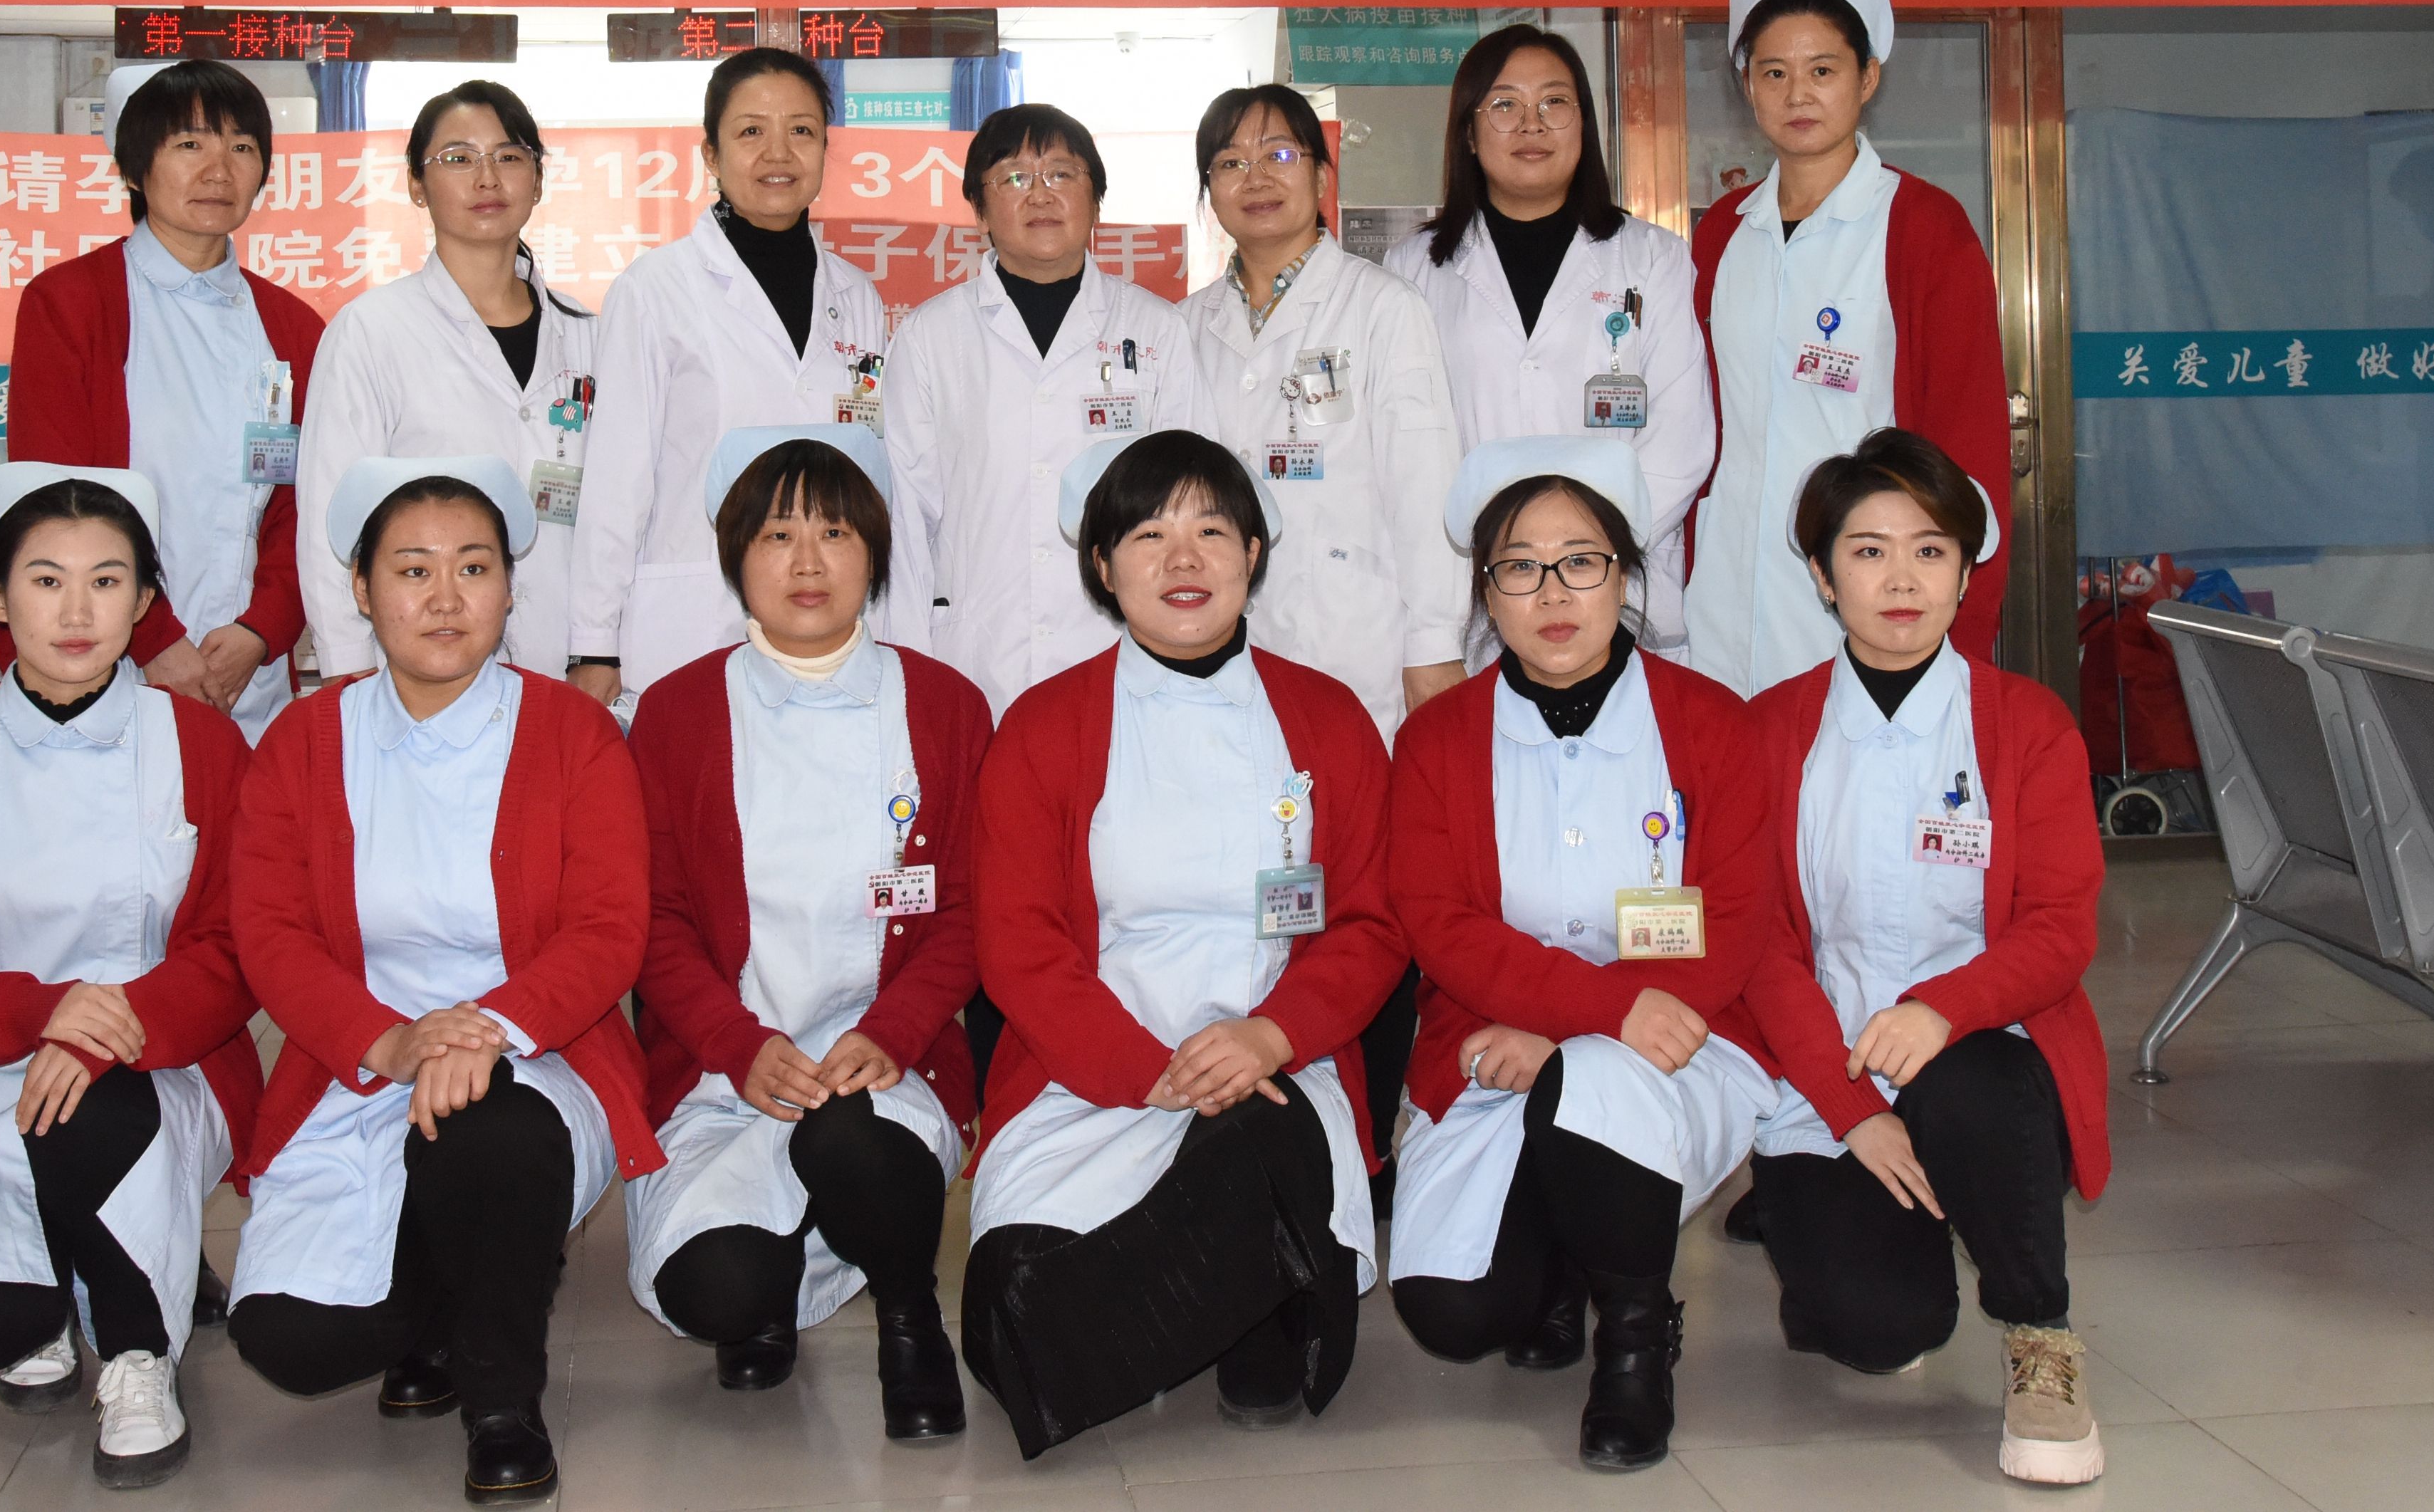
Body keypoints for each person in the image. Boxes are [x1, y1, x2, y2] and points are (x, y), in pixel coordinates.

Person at [957, 429, 1403, 1460]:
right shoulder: (1043, 726)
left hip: (1276, 1068)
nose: (1184, 558)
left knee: (1255, 1136)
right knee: (1000, 1310)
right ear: (1103, 566)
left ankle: (1200, 1309)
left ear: (1253, 551)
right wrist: (1142, 1069)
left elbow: (1373, 923)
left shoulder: (1328, 718)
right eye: (1148, 535)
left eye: (1211, 529)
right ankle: (1240, 1296)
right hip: (1093, 1074)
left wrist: (1268, 1037)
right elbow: (1017, 943)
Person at [223, 457, 656, 1505]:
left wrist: (485, 1031)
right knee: (290, 1342)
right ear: (361, 590)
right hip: (360, 1063)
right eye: (412, 570)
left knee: (488, 1131)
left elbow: (609, 928)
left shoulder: (574, 733)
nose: (446, 598)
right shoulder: (305, 740)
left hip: (538, 1056)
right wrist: (391, 1042)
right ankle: (444, 1310)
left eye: (474, 567)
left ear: (509, 588)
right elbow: (271, 934)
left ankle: (501, 1399)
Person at [0, 462, 262, 1491]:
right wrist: (40, 1014)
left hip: (166, 1057)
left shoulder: (203, 747)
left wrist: (108, 1026)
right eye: (46, 580)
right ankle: (53, 1291)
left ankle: (138, 1351)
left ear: (145, 603)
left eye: (108, 582)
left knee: (93, 1113)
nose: (78, 612)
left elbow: (243, 941)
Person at [1380, 439, 1774, 1474]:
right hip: (1492, 1042)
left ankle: (1635, 1341)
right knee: (1455, 1313)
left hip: (1677, 1038)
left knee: (1598, 1084)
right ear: (1485, 591)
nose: (1552, 592)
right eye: (1520, 567)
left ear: (1625, 576)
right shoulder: (1437, 740)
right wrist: (1588, 1013)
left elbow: (1736, 916)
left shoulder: (1712, 726)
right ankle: (1559, 1264)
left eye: (1581, 561)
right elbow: (1439, 924)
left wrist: (1587, 1033)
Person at [1731, 427, 2110, 1488]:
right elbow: (1756, 945)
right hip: (1827, 1075)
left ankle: (2041, 1337)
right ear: (1822, 576)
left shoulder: (2026, 724)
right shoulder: (1769, 731)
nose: (1901, 580)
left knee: (1969, 1083)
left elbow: (2060, 925)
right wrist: (1849, 1105)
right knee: (1876, 1329)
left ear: (1964, 573)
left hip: (1986, 1055)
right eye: (1868, 551)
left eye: (1930, 550)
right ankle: (1864, 1229)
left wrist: (1943, 1008)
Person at [624, 426, 987, 1443]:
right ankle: (776, 1271)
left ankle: (910, 1316)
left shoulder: (947, 708)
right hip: (724, 1070)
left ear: (875, 554)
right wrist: (736, 1044)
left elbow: (970, 909)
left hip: (888, 1061)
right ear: (736, 556)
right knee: (719, 1293)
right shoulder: (677, 713)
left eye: (835, 533)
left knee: (849, 1138)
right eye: (777, 535)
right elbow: (653, 920)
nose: (808, 562)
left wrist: (895, 1030)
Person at [1683, 0, 2009, 697]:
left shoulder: (1923, 225)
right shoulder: (1724, 231)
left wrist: (1961, 628)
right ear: (1747, 86)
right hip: (1725, 588)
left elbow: (1968, 434)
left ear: (1867, 79)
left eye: (1823, 70)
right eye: (1774, 72)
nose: (1798, 94)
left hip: (1871, 591)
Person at [573, 45, 895, 714]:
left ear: (825, 148)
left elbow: (868, 466)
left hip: (829, 621)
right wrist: (595, 644)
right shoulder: (654, 290)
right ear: (712, 155)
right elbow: (616, 478)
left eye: (801, 130)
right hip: (697, 617)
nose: (779, 152)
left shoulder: (856, 294)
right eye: (751, 131)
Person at [9, 58, 323, 736]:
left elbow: (304, 502)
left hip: (249, 672)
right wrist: (155, 638)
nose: (219, 170)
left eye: (242, 147)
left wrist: (261, 629)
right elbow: (53, 498)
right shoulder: (70, 304)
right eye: (189, 144)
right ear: (133, 168)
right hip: (107, 656)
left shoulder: (294, 327)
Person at [1385, 27, 1713, 656]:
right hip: (1476, 596)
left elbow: (1681, 441)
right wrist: (1514, 563)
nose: (1531, 123)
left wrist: (1583, 558)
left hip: (1622, 595)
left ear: (1584, 123)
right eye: (1505, 104)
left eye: (1554, 102)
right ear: (1469, 132)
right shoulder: (1414, 269)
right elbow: (1410, 453)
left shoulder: (1654, 259)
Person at [882, 102, 1197, 712]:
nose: (1040, 194)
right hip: (976, 655)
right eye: (1014, 177)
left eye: (1061, 173)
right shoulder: (929, 336)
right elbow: (905, 519)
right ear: (979, 209)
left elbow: (1190, 508)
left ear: (1096, 200)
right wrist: (911, 670)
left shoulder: (1156, 330)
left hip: (1122, 648)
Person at [1180, 82, 1466, 738]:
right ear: (1209, 191)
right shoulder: (1184, 326)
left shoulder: (1384, 308)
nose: (1256, 177)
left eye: (1279, 155)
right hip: (1213, 645)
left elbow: (1425, 488)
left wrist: (1433, 642)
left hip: (1355, 640)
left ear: (1321, 174)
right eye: (1230, 162)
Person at [298, 80, 600, 686]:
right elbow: (331, 514)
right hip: (413, 670)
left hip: (569, 665)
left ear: (538, 180)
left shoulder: (589, 335)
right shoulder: (372, 330)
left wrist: (601, 650)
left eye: (509, 156)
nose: (487, 178)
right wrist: (348, 669)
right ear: (416, 184)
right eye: (458, 158)